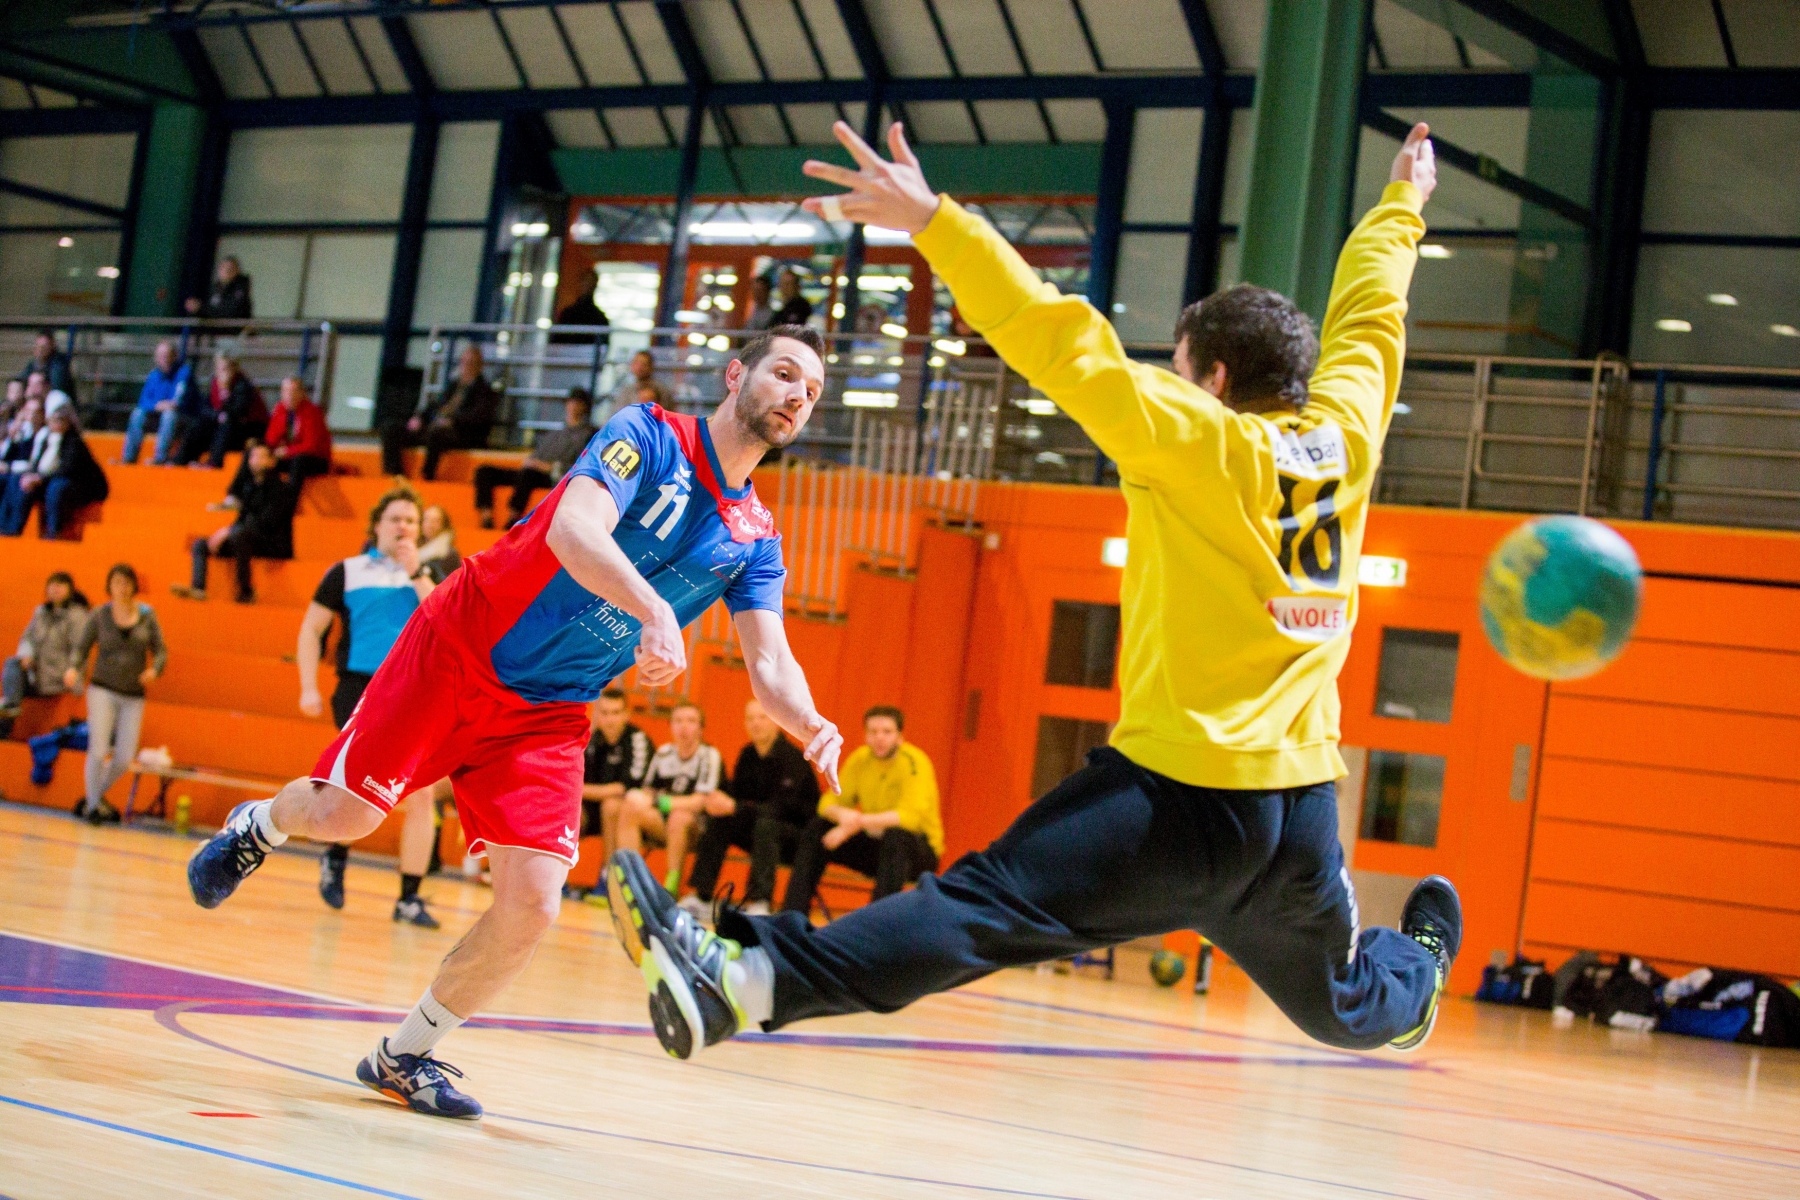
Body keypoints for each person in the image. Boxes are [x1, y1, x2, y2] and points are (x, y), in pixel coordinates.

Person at [600, 120, 1463, 1065]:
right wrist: (1403, 204)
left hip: (1180, 798)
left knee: (986, 905)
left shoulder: (1200, 438)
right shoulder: (1350, 431)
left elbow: (1062, 341)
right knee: (1344, 1001)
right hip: (1296, 807)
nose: (1169, 379)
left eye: (1177, 366)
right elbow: (1373, 312)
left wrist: (935, 222)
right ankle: (1416, 987)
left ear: (1212, 379)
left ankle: (743, 982)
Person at [185, 324, 842, 1119]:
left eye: (811, 392)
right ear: (737, 374)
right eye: (783, 373)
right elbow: (573, 529)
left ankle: (405, 1055)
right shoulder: (647, 434)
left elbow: (769, 663)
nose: (795, 397)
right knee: (346, 814)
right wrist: (653, 609)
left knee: (534, 902)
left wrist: (808, 720)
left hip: (549, 711)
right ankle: (258, 826)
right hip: (461, 645)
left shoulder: (756, 540)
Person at [295, 487, 446, 928]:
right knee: (357, 783)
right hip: (360, 688)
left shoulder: (432, 574)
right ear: (377, 525)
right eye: (395, 518)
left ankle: (409, 898)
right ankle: (336, 854)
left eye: (412, 521)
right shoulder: (347, 571)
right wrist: (308, 686)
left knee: (420, 795)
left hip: (416, 692)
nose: (403, 526)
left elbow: (444, 620)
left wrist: (417, 571)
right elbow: (311, 630)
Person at [780, 704, 939, 918]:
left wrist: (854, 824)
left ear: (900, 736)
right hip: (877, 847)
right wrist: (843, 817)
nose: (879, 738)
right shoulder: (860, 759)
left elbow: (909, 819)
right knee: (818, 828)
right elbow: (827, 803)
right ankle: (791, 917)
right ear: (865, 735)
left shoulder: (915, 763)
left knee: (897, 837)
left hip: (917, 851)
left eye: (887, 732)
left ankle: (874, 925)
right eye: (873, 732)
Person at [684, 697, 820, 919]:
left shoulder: (793, 759)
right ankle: (702, 896)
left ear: (777, 722)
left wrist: (735, 806)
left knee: (766, 825)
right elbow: (736, 797)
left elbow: (783, 809)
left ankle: (759, 901)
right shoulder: (747, 755)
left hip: (795, 838)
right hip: (759, 831)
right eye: (750, 719)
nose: (756, 723)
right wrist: (720, 800)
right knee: (721, 818)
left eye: (762, 718)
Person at [65, 564, 166, 825]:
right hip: (102, 689)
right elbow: (82, 647)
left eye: (126, 582)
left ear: (134, 586)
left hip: (133, 694)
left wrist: (154, 669)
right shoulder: (100, 615)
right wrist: (73, 668)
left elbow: (161, 651)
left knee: (124, 758)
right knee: (97, 751)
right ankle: (94, 808)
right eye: (117, 582)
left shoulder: (147, 615)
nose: (122, 588)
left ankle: (92, 798)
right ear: (109, 586)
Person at [612, 700, 728, 898]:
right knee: (629, 807)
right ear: (671, 726)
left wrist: (661, 802)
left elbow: (701, 801)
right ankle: (629, 882)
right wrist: (641, 798)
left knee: (679, 817)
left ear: (701, 728)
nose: (684, 727)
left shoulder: (709, 755)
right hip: (664, 823)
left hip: (698, 828)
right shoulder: (664, 753)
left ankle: (670, 888)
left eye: (691, 721)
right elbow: (648, 790)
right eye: (678, 721)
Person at [174, 441, 297, 604]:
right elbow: (242, 519)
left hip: (273, 543)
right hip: (247, 539)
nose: (257, 460)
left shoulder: (281, 489)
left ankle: (245, 591)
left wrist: (231, 532)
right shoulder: (249, 487)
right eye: (253, 456)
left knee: (239, 535)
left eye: (262, 457)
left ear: (272, 461)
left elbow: (268, 523)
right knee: (201, 544)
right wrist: (228, 532)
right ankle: (198, 588)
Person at [472, 388, 595, 529]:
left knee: (528, 475)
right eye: (571, 402)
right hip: (533, 469)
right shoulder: (555, 433)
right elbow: (535, 457)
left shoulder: (588, 435)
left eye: (578, 403)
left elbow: (578, 467)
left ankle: (513, 517)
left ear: (585, 407)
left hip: (551, 476)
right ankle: (486, 517)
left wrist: (545, 466)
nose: (573, 406)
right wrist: (532, 463)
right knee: (485, 471)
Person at [0, 392, 109, 539]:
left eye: (61, 420)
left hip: (77, 486)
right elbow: (37, 463)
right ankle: (10, 529)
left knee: (56, 487)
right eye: (55, 419)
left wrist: (40, 479)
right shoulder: (46, 438)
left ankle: (53, 532)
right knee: (17, 480)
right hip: (49, 479)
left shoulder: (73, 442)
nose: (58, 423)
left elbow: (68, 469)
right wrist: (31, 476)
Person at [381, 345, 500, 480]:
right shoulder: (453, 386)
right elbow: (435, 406)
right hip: (434, 429)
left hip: (460, 434)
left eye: (471, 363)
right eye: (464, 362)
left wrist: (452, 421)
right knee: (391, 427)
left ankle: (427, 475)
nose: (466, 367)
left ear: (479, 366)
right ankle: (395, 474)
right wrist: (418, 418)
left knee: (437, 432)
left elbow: (478, 417)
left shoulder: (485, 391)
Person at [0, 572, 90, 739]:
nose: (55, 588)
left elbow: (80, 650)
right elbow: (27, 638)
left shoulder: (77, 616)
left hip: (60, 678)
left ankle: (7, 718)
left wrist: (72, 672)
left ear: (70, 590)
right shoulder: (40, 612)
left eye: (61, 584)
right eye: (52, 584)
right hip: (38, 674)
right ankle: (8, 714)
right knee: (12, 664)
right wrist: (27, 655)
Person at [580, 687, 652, 872]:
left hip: (633, 813)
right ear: (597, 715)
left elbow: (625, 788)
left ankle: (608, 875)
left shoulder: (637, 740)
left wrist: (580, 790)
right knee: (568, 807)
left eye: (616, 713)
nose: (610, 719)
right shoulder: (593, 741)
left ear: (626, 714)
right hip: (594, 808)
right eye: (604, 713)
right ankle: (556, 877)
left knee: (611, 805)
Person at [172, 349, 266, 469]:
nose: (221, 372)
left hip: (249, 428)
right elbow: (205, 408)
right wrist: (217, 416)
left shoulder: (243, 386)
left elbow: (237, 413)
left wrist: (225, 393)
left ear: (234, 368)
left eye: (225, 368)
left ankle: (214, 463)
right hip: (224, 425)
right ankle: (181, 459)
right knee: (199, 424)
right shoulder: (215, 383)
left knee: (226, 424)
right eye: (218, 368)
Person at [122, 340, 192, 466]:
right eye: (160, 356)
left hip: (182, 417)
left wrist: (167, 405)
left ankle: (160, 458)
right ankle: (129, 458)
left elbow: (178, 400)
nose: (163, 359)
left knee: (169, 415)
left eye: (166, 355)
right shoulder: (153, 376)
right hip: (157, 414)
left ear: (174, 356)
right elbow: (143, 401)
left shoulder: (184, 373)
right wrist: (157, 405)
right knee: (138, 414)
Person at [265, 376, 332, 484]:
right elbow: (270, 439)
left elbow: (311, 446)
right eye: (286, 391)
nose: (289, 395)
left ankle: (290, 498)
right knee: (258, 456)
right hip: (290, 456)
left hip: (315, 460)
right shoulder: (280, 410)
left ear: (302, 393)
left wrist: (288, 451)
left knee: (299, 461)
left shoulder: (312, 412)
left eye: (293, 391)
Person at [550, 268, 610, 348]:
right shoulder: (567, 314)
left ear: (595, 285)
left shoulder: (600, 318)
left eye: (590, 282)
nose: (587, 285)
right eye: (586, 282)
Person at [605, 350, 666, 423]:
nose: (639, 367)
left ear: (651, 366)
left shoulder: (662, 391)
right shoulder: (625, 390)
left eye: (644, 364)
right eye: (636, 363)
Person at [186, 255, 253, 320]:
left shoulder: (241, 289)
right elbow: (209, 312)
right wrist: (196, 310)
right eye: (223, 267)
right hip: (213, 329)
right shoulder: (215, 288)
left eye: (230, 269)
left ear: (237, 271)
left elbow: (231, 313)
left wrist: (202, 308)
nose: (226, 271)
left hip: (233, 329)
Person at [14, 330, 73, 396]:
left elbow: (57, 386)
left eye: (44, 346)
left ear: (52, 346)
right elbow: (21, 378)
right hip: (36, 397)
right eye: (38, 346)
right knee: (15, 387)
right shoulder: (34, 363)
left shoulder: (59, 362)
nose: (40, 350)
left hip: (55, 398)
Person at [417, 504, 461, 579]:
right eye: (426, 519)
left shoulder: (449, 554)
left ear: (444, 525)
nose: (430, 524)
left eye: (435, 521)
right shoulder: (414, 547)